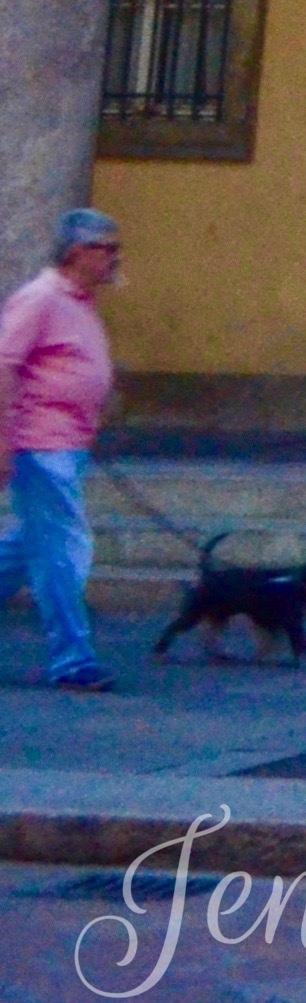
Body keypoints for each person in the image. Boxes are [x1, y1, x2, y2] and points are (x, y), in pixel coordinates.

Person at [2, 210, 122, 692]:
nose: (115, 257)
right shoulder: (41, 298)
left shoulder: (79, 302)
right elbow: (3, 365)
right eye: (107, 248)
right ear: (77, 252)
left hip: (68, 443)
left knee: (27, 547)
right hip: (39, 443)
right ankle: (73, 660)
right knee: (63, 549)